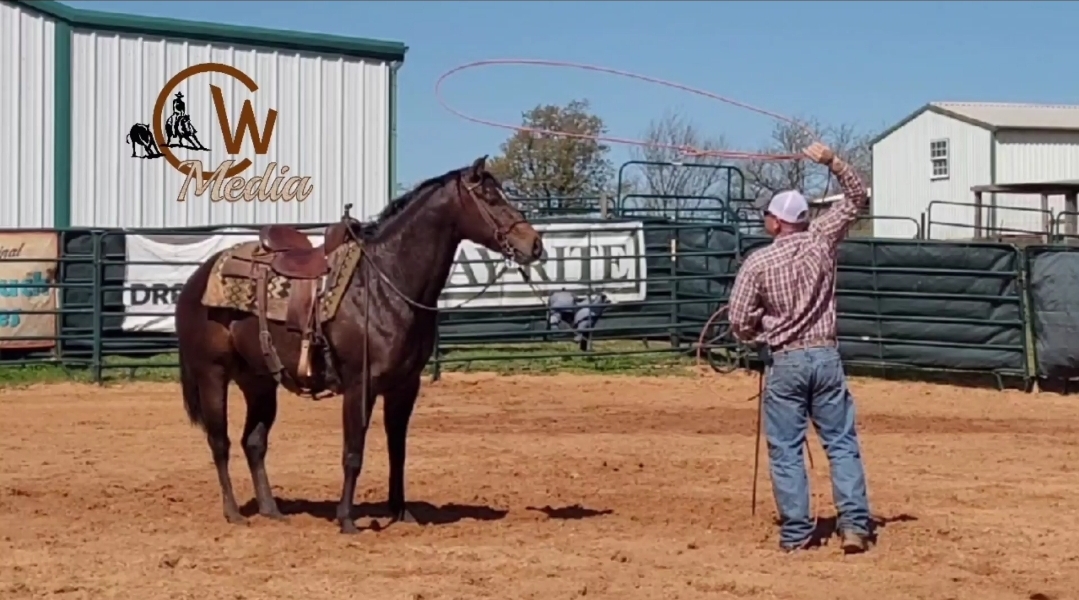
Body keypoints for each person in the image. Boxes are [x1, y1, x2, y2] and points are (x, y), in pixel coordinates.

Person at [727, 142, 872, 554]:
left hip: (786, 359)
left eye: (768, 215)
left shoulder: (757, 263)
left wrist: (758, 332)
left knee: (786, 447)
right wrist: (832, 162)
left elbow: (738, 321)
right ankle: (855, 526)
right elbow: (858, 196)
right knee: (841, 443)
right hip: (826, 355)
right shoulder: (822, 239)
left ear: (776, 222)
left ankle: (796, 533)